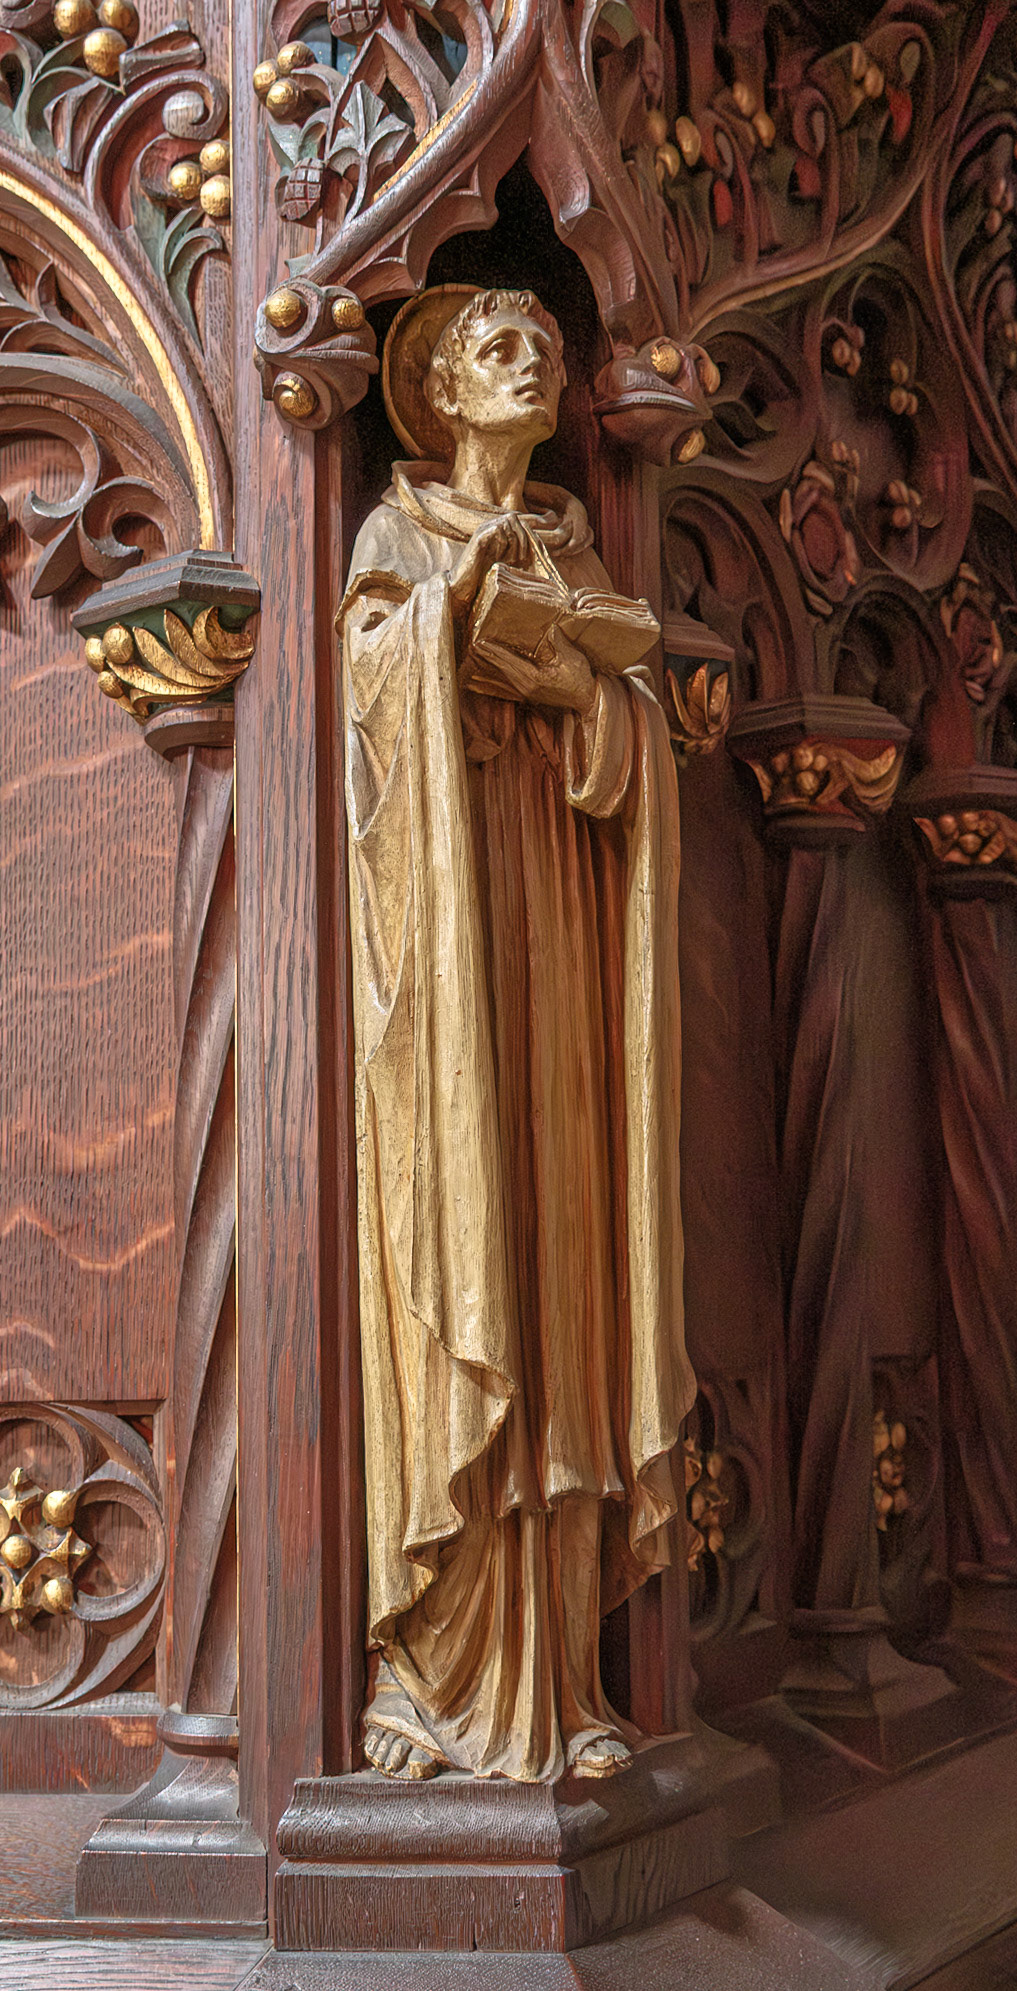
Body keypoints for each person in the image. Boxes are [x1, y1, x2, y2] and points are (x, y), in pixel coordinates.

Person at [338, 283, 693, 1783]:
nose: (533, 366)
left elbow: (630, 741)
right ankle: (441, 1679)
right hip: (442, 953)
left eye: (545, 349)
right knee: (462, 1255)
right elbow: (365, 689)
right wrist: (449, 629)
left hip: (555, 947)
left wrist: (579, 690)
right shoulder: (391, 537)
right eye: (498, 350)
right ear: (433, 390)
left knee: (564, 1262)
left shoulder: (574, 546)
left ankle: (565, 1687)